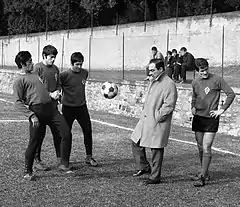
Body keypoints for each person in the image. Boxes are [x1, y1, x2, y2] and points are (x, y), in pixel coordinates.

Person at [13, 51, 72, 181]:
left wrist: (52, 95)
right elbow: (17, 102)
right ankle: (27, 171)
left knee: (66, 133)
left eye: (31, 60)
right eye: (29, 62)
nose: (32, 63)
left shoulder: (34, 74)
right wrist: (31, 115)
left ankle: (64, 164)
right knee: (34, 142)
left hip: (51, 109)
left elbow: (41, 91)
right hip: (37, 112)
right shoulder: (19, 80)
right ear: (22, 64)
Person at [131, 59, 178, 185]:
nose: (150, 72)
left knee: (156, 149)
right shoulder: (153, 80)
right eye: (149, 70)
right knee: (135, 141)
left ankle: (155, 177)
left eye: (152, 70)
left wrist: (158, 116)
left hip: (157, 121)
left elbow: (169, 105)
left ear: (161, 69)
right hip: (146, 119)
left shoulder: (169, 84)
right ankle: (144, 167)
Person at [191, 58, 235, 187]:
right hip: (198, 118)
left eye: (206, 70)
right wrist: (192, 107)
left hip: (211, 118)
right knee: (200, 147)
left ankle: (202, 177)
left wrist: (221, 110)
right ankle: (205, 173)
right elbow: (194, 96)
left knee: (206, 147)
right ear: (196, 71)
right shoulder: (195, 82)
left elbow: (231, 94)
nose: (204, 73)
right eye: (201, 71)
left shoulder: (217, 79)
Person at [59, 52, 98, 167]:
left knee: (87, 131)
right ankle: (65, 159)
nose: (79, 67)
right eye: (77, 64)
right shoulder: (64, 75)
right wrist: (60, 99)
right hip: (68, 109)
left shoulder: (85, 73)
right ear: (71, 63)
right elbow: (57, 87)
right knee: (66, 134)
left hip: (82, 108)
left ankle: (89, 157)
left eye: (81, 64)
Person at [33, 45, 67, 171]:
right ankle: (37, 160)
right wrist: (49, 95)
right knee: (39, 135)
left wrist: (58, 92)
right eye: (51, 57)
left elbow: (58, 84)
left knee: (58, 133)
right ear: (44, 56)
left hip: (53, 108)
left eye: (54, 57)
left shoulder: (56, 69)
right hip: (40, 109)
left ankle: (60, 159)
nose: (53, 60)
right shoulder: (37, 68)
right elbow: (36, 88)